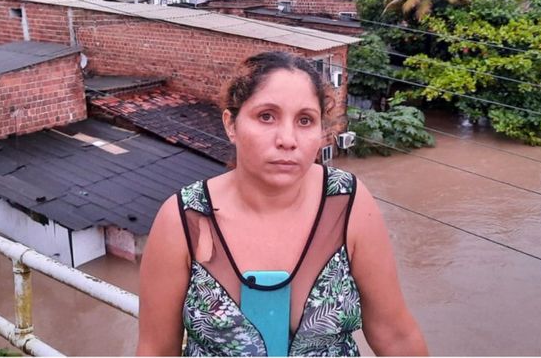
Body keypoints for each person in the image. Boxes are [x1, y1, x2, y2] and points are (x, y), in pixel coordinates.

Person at [136, 52, 428, 356]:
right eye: (266, 116)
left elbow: (395, 335)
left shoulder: (347, 202)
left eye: (305, 120)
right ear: (231, 124)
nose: (287, 139)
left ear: (320, 132)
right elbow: (156, 349)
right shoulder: (184, 218)